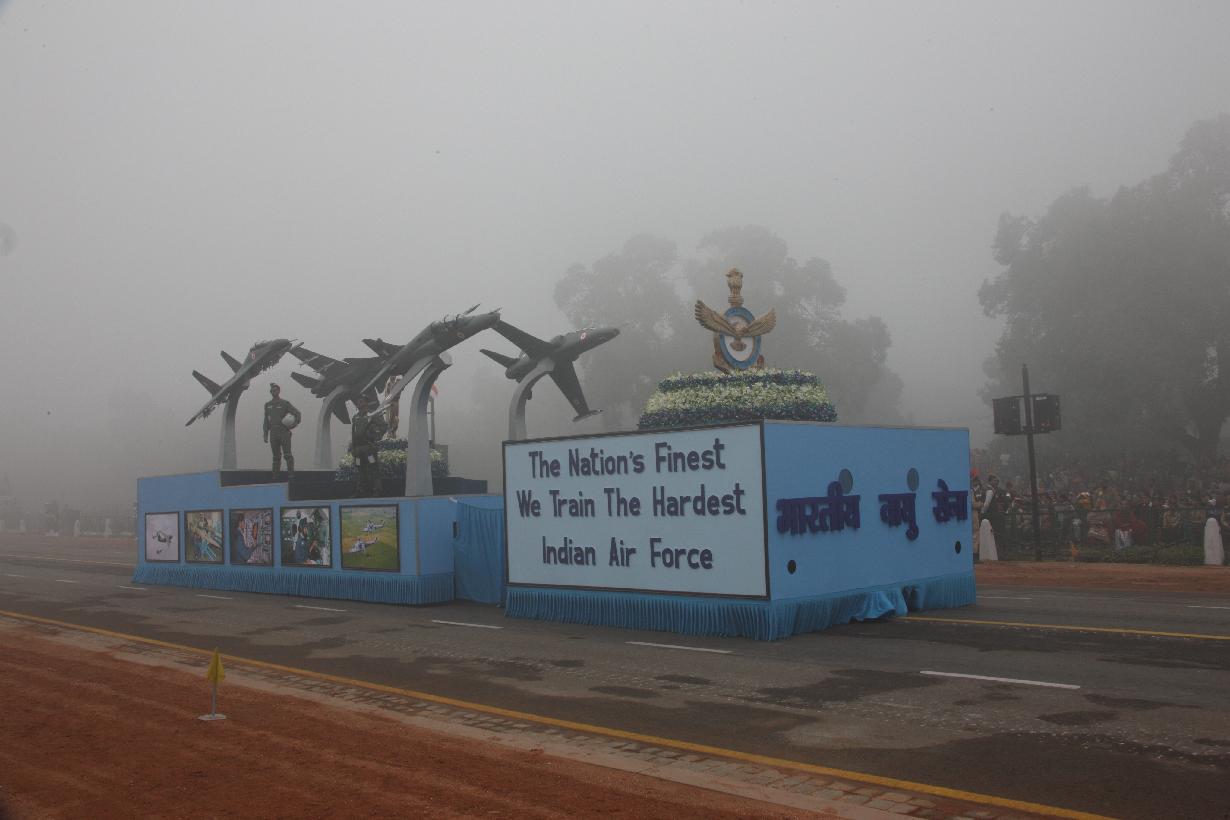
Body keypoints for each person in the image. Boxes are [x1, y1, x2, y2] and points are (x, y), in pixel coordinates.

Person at [350, 395, 388, 497]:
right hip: (358, 450)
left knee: (373, 468)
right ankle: (360, 491)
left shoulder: (372, 415)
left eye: (361, 401)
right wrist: (353, 447)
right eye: (358, 401)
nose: (359, 403)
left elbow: (383, 426)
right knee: (360, 469)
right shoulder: (355, 417)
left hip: (369, 448)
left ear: (366, 403)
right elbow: (353, 433)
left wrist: (375, 435)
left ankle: (377, 490)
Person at [263, 383, 301, 480]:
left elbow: (297, 413)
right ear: (270, 392)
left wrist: (294, 424)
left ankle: (291, 475)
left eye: (275, 390)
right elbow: (266, 420)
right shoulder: (267, 405)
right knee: (276, 457)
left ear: (279, 391)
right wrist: (265, 434)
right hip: (273, 433)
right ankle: (275, 477)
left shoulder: (285, 403)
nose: (274, 392)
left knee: (287, 455)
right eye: (272, 390)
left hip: (284, 432)